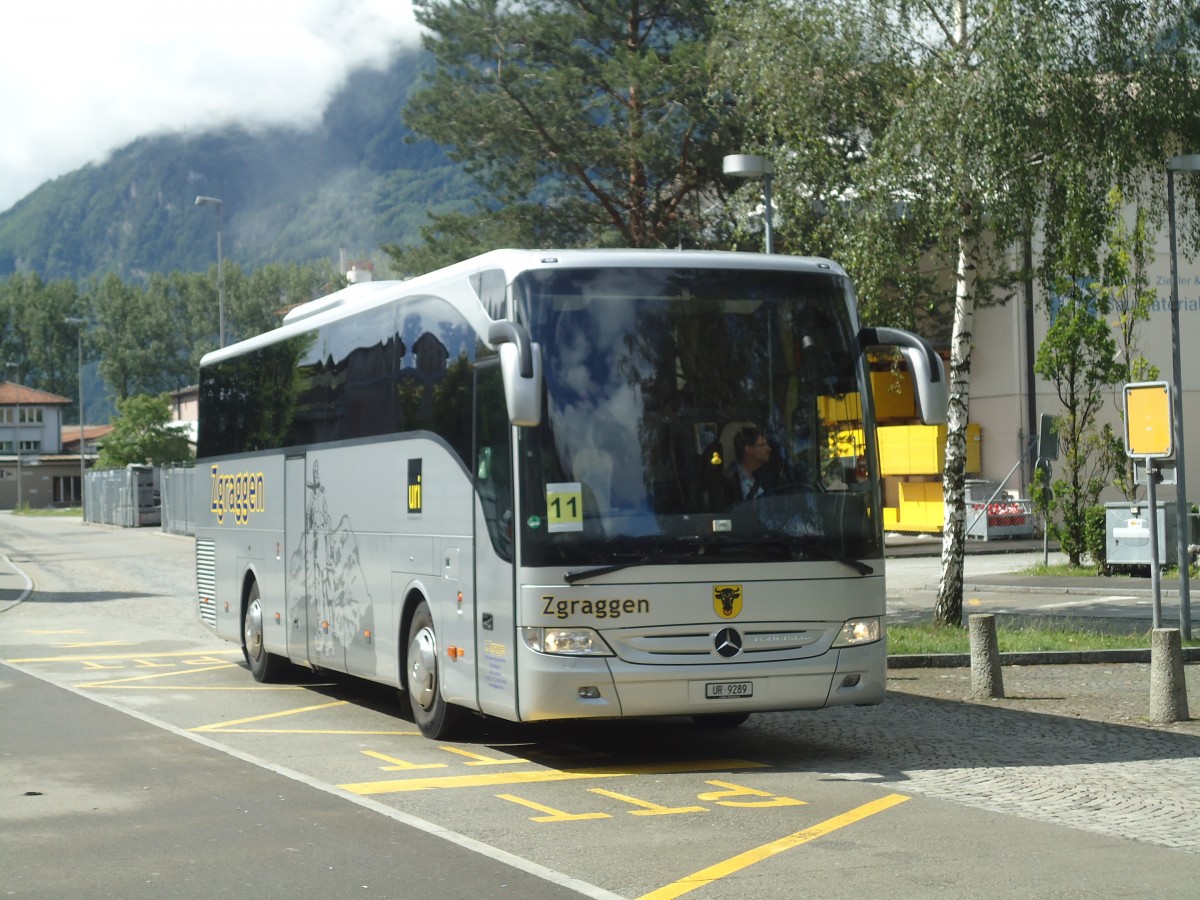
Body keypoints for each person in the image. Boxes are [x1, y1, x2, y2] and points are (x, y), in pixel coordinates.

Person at [728, 425, 777, 501]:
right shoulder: (732, 481)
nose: (769, 449)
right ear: (749, 450)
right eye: (763, 444)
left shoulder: (762, 474)